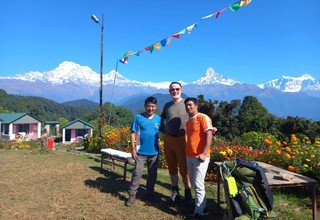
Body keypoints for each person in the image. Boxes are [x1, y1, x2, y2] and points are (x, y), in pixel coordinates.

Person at [125, 96, 161, 207]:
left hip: (154, 152)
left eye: (153, 106)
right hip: (140, 152)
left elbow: (166, 132)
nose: (150, 108)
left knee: (152, 175)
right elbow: (133, 133)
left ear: (156, 107)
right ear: (145, 106)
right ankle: (132, 196)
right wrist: (133, 149)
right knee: (137, 174)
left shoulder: (159, 119)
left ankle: (149, 194)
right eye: (148, 106)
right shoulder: (138, 118)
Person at [160, 82, 192, 203]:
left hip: (182, 139)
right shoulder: (167, 105)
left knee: (184, 167)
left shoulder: (187, 104)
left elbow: (196, 117)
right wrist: (162, 129)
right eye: (172, 90)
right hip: (168, 139)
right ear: (169, 91)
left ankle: (188, 191)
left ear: (181, 90)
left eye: (177, 89)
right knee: (171, 165)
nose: (175, 91)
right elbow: (162, 118)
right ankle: (175, 191)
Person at [184, 97, 216, 218]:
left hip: (200, 157)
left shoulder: (203, 117)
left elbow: (209, 133)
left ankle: (199, 212)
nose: (188, 107)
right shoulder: (188, 121)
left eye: (190, 105)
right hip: (190, 156)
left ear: (196, 106)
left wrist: (204, 152)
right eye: (186, 105)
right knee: (194, 183)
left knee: (198, 184)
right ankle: (203, 207)